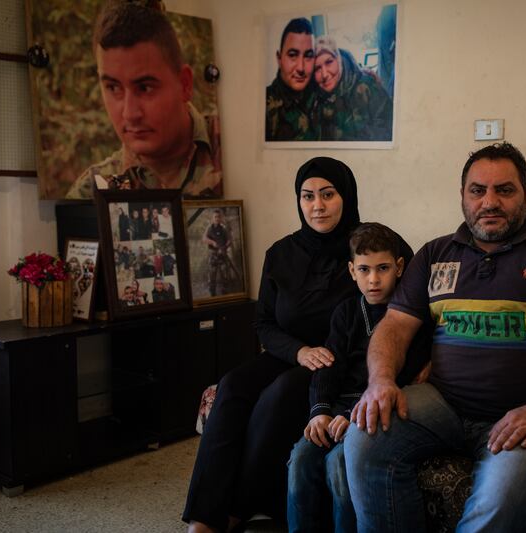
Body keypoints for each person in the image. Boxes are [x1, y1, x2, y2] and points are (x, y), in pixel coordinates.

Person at [344, 142, 526, 532]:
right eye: (477, 190)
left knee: (496, 507)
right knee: (364, 438)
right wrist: (381, 381)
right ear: (463, 197)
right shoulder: (435, 254)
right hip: (442, 404)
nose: (490, 202)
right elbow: (394, 326)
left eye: (505, 190)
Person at [182, 157, 362, 533]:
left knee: (281, 394)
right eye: (308, 196)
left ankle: (239, 508)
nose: (317, 205)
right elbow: (263, 323)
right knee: (232, 386)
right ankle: (203, 514)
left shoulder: (365, 249)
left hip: (338, 361)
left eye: (328, 195)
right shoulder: (281, 253)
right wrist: (298, 351)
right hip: (292, 352)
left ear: (346, 196)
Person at [286, 223, 431, 533]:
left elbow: (405, 375)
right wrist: (321, 411)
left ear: (399, 267)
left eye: (383, 268)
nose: (374, 279)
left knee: (338, 465)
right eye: (364, 270)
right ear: (352, 271)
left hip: (378, 409)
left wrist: (352, 416)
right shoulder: (347, 313)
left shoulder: (411, 316)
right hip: (340, 406)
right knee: (300, 459)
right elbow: (330, 366)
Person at [65, 1, 222, 199]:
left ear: (184, 84)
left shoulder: (234, 149)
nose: (130, 114)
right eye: (113, 88)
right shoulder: (93, 191)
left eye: (145, 88)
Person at [312, 36, 393, 141]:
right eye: (317, 68)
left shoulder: (367, 87)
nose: (324, 74)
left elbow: (388, 131)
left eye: (329, 62)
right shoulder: (314, 99)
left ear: (339, 59)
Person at [265, 18, 318, 141]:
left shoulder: (322, 93)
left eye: (308, 56)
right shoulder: (264, 106)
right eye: (293, 55)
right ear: (279, 59)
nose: (301, 67)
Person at [201, 209, 236, 296]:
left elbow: (229, 240)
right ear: (212, 218)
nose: (217, 218)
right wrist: (213, 242)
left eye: (218, 217)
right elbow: (204, 239)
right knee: (212, 274)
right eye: (215, 217)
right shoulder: (209, 228)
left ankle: (225, 292)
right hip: (213, 254)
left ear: (220, 218)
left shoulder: (223, 228)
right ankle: (212, 293)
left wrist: (224, 247)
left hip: (222, 254)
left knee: (224, 274)